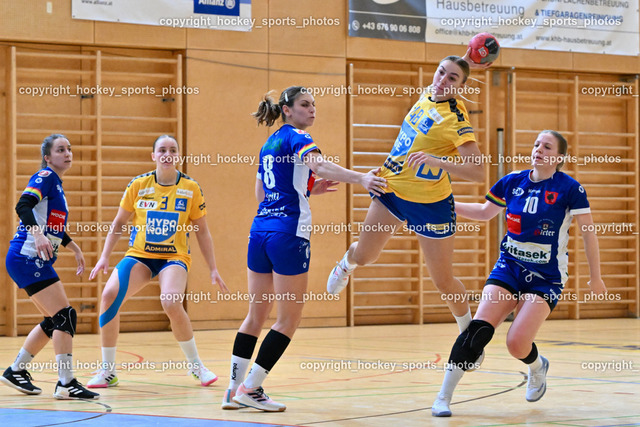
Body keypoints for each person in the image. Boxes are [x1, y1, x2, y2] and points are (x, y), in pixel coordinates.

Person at [221, 86, 387, 412]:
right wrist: (361, 179)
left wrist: (306, 190)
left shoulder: (269, 144)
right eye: (305, 104)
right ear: (287, 109)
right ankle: (249, 389)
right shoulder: (298, 137)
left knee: (255, 316)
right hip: (289, 234)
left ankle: (231, 390)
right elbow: (319, 165)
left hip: (260, 232)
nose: (312, 110)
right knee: (288, 320)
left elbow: (261, 193)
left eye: (314, 105)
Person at [431, 130, 607, 417]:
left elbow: (588, 233)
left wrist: (595, 277)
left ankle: (537, 367)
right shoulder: (513, 181)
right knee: (478, 331)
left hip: (546, 278)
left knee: (516, 344)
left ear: (559, 157)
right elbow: (484, 212)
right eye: (537, 144)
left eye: (547, 146)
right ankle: (443, 398)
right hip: (509, 268)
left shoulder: (570, 189)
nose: (539, 149)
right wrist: (445, 205)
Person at [327, 53, 488, 336]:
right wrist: (467, 59)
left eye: (452, 78)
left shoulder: (456, 119)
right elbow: (453, 70)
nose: (442, 80)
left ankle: (468, 334)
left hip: (431, 204)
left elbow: (478, 172)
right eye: (440, 72)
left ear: (461, 87)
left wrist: (438, 162)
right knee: (364, 256)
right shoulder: (429, 92)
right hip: (392, 189)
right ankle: (346, 264)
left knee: (443, 281)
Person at [87, 135, 228, 388]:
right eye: (162, 150)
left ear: (178, 156)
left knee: (171, 301)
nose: (167, 154)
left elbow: (202, 231)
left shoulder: (191, 188)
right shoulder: (138, 185)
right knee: (108, 295)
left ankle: (197, 366)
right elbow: (119, 223)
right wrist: (105, 256)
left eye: (172, 150)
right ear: (153, 156)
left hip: (173, 257)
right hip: (140, 256)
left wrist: (213, 268)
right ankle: (108, 370)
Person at [1, 134, 99, 400]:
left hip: (29, 259)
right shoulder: (45, 176)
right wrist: (36, 234)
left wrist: (73, 247)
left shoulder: (56, 184)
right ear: (47, 157)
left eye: (69, 149)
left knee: (54, 319)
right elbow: (23, 205)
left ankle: (16, 370)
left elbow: (52, 225)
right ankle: (66, 383)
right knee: (65, 316)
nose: (67, 153)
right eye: (60, 150)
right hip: (26, 257)